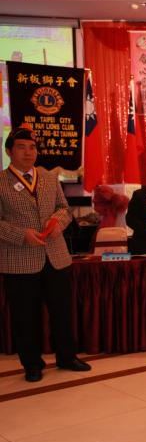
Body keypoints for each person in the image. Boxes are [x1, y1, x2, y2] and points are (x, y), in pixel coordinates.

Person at [0, 126, 91, 382]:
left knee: (62, 311)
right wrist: (22, 234)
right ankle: (32, 364)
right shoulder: (1, 181)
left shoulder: (49, 177)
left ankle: (67, 357)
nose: (28, 152)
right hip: (19, 260)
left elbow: (64, 208)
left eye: (32, 147)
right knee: (25, 315)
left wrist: (58, 222)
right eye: (21, 147)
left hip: (56, 257)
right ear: (9, 152)